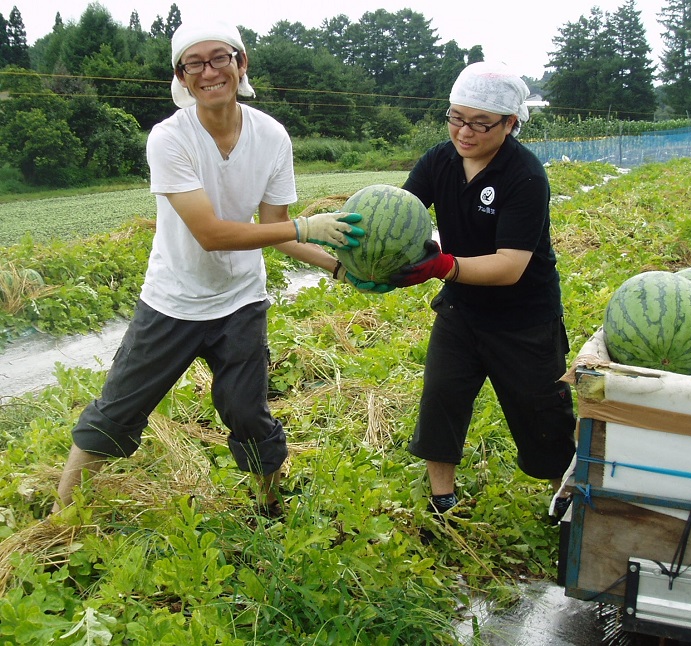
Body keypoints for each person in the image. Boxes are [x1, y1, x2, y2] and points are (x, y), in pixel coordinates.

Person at [52, 21, 375, 516]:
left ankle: (268, 506)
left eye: (219, 58)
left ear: (241, 64)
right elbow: (213, 232)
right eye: (194, 63)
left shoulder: (271, 135)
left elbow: (276, 228)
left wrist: (338, 268)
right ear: (182, 78)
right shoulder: (169, 139)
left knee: (248, 413)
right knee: (117, 411)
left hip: (240, 302)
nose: (208, 71)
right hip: (173, 299)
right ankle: (61, 517)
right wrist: (308, 227)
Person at [388, 62, 576, 523]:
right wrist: (371, 254)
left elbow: (510, 266)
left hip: (524, 316)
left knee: (542, 414)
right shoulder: (439, 160)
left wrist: (441, 265)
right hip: (462, 310)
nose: (464, 132)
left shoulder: (524, 175)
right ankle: (442, 499)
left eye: (479, 123)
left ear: (511, 124)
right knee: (442, 397)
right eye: (456, 118)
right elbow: (400, 214)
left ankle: (566, 499)